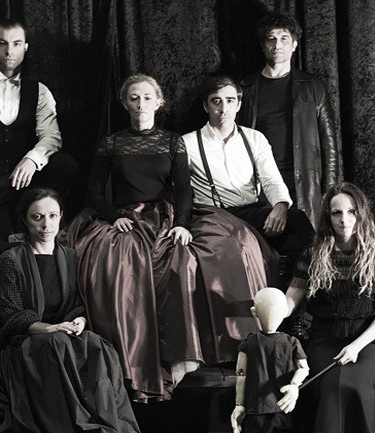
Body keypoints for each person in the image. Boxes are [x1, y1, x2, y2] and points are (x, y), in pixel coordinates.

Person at [67, 73, 279, 402]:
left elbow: (183, 190)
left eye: (147, 97)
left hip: (165, 215)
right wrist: (114, 217)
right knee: (121, 258)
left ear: (159, 102)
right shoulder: (112, 143)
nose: (141, 104)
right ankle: (134, 358)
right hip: (125, 216)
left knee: (219, 245)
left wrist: (181, 223)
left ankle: (189, 356)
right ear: (124, 103)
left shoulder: (172, 141)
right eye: (134, 98)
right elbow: (94, 192)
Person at [0, 188, 140, 433]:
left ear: (61, 216)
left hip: (61, 336)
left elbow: (77, 304)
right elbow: (11, 316)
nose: (46, 225)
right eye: (37, 217)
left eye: (52, 216)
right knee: (56, 343)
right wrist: (50, 329)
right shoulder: (10, 259)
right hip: (23, 341)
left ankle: (107, 423)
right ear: (25, 220)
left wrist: (79, 320)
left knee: (98, 345)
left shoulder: (70, 256)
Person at [183, 75, 314, 291]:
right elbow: (178, 189)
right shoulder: (188, 143)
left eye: (230, 100)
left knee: (299, 229)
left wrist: (280, 206)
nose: (223, 108)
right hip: (215, 218)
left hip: (252, 213)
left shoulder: (254, 138)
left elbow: (271, 178)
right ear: (206, 106)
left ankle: (307, 297)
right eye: (216, 101)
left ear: (239, 104)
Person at [284, 182, 375, 433]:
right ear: (328, 217)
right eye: (337, 212)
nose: (344, 220)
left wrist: (356, 346)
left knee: (354, 385)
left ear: (361, 213)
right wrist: (268, 309)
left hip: (367, 341)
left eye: (351, 211)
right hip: (323, 339)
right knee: (330, 387)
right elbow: (290, 301)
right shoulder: (312, 254)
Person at [0, 19, 77, 243]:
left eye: (16, 44)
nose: (9, 51)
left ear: (25, 47)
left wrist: (32, 160)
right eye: (2, 43)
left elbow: (51, 136)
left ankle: (45, 223)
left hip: (27, 179)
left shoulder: (40, 91)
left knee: (65, 165)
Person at [237, 11, 340, 228]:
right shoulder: (246, 88)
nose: (277, 45)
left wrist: (330, 190)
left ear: (294, 45)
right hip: (262, 183)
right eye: (271, 39)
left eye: (284, 38)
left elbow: (329, 142)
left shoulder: (312, 86)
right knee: (264, 242)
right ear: (263, 45)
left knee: (307, 242)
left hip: (303, 181)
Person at [231, 288, 309, 433]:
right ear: (285, 311)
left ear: (254, 312)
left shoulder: (248, 343)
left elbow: (241, 375)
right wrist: (294, 386)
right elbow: (304, 368)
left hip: (259, 409)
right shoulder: (291, 342)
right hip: (284, 409)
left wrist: (239, 404)